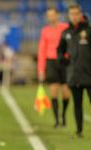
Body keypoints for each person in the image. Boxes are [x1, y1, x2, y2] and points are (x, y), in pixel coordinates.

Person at [57, 4, 91, 137]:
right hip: (74, 74)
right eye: (72, 14)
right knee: (77, 104)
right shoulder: (66, 33)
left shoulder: (88, 31)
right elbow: (60, 49)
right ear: (69, 16)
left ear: (81, 14)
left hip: (89, 73)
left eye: (77, 13)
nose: (74, 16)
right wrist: (62, 59)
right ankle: (79, 130)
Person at [38, 7, 70, 128]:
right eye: (49, 15)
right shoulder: (45, 31)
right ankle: (57, 120)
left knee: (66, 92)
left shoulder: (65, 28)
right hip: (51, 62)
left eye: (53, 15)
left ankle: (64, 115)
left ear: (57, 15)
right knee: (54, 91)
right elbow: (42, 51)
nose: (51, 17)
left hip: (65, 62)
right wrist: (41, 69)